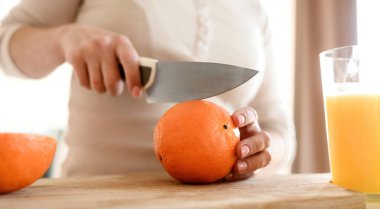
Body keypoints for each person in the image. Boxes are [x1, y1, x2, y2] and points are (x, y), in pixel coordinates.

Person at [0, 0, 295, 180]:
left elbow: (279, 131)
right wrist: (64, 39)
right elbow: (5, 42)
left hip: (222, 201)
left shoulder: (253, 8)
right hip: (101, 198)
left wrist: (255, 154)